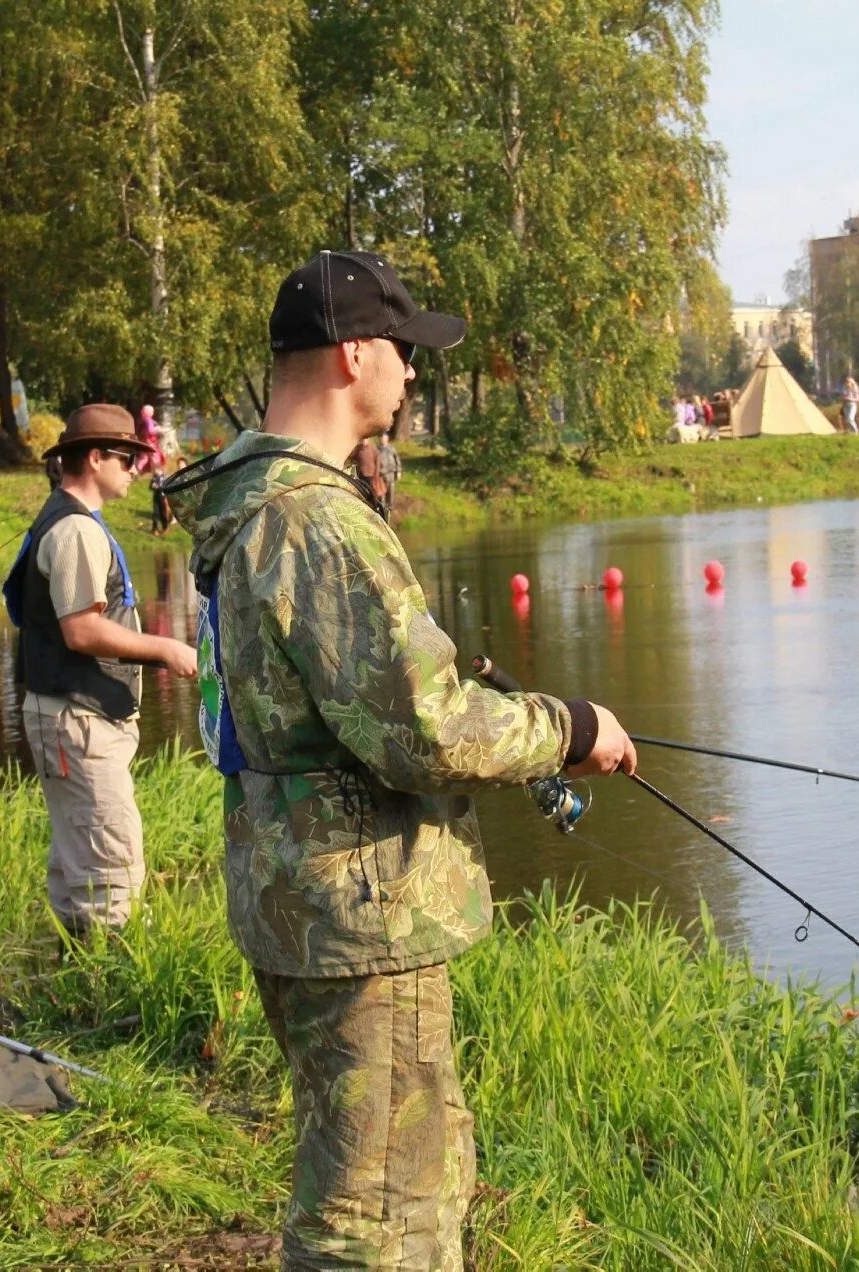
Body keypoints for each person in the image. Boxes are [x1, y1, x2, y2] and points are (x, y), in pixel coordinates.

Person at [162, 249, 637, 1267]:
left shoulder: (241, 506)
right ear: (353, 354)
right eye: (405, 353)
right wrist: (573, 728)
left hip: (296, 895)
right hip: (363, 914)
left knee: (384, 1179)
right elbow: (428, 734)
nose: (413, 375)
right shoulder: (318, 520)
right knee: (375, 1222)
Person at [6, 405, 197, 935]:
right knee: (112, 866)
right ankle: (115, 991)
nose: (138, 467)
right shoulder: (74, 531)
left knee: (78, 864)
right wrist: (166, 649)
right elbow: (81, 631)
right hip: (78, 720)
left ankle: (73, 984)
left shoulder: (71, 520)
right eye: (127, 456)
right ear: (94, 458)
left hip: (71, 717)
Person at [350, 436, 388, 518]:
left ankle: (376, 509)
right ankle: (366, 508)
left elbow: (377, 461)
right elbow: (352, 457)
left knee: (374, 492)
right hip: (362, 475)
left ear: (368, 440)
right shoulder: (358, 449)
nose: (364, 441)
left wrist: (376, 474)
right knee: (363, 492)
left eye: (365, 439)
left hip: (371, 475)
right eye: (362, 440)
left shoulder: (373, 449)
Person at [376, 429, 402, 514]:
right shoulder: (377, 449)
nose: (382, 439)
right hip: (381, 474)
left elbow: (397, 460)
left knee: (391, 491)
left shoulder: (392, 449)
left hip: (391, 474)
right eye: (381, 438)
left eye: (384, 438)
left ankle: (390, 507)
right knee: (381, 492)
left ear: (387, 438)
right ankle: (382, 508)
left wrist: (398, 471)